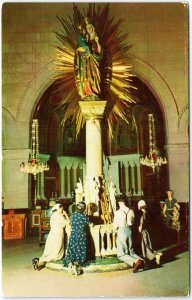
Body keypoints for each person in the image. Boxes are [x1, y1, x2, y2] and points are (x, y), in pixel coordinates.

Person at [32, 204, 70, 271]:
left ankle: (39, 261)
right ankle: (40, 261)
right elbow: (68, 223)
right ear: (58, 209)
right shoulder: (60, 216)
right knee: (56, 252)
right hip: (58, 233)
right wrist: (66, 215)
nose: (62, 210)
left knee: (51, 249)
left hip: (52, 233)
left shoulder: (53, 215)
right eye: (61, 209)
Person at [113, 195, 144, 273]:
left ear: (120, 202)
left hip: (121, 231)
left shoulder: (117, 212)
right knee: (131, 251)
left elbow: (115, 226)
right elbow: (132, 221)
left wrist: (115, 230)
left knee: (121, 254)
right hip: (129, 230)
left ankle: (135, 262)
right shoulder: (131, 211)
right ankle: (144, 261)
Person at [74, 18, 102, 101]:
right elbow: (81, 51)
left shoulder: (95, 39)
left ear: (93, 28)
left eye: (90, 27)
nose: (89, 29)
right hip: (86, 62)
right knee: (86, 77)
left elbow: (99, 54)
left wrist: (97, 42)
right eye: (87, 28)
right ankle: (87, 92)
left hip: (94, 62)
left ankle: (94, 92)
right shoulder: (85, 41)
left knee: (95, 76)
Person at [63, 201, 92, 275]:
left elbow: (70, 223)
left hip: (73, 235)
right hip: (81, 235)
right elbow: (91, 225)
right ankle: (77, 264)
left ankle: (71, 263)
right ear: (83, 209)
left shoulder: (72, 216)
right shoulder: (84, 217)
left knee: (73, 248)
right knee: (80, 248)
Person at [138, 200, 162, 267]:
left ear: (140, 207)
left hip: (144, 232)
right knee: (148, 244)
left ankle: (155, 256)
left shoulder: (143, 214)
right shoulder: (148, 213)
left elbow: (142, 224)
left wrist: (140, 229)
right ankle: (154, 257)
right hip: (148, 231)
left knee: (146, 245)